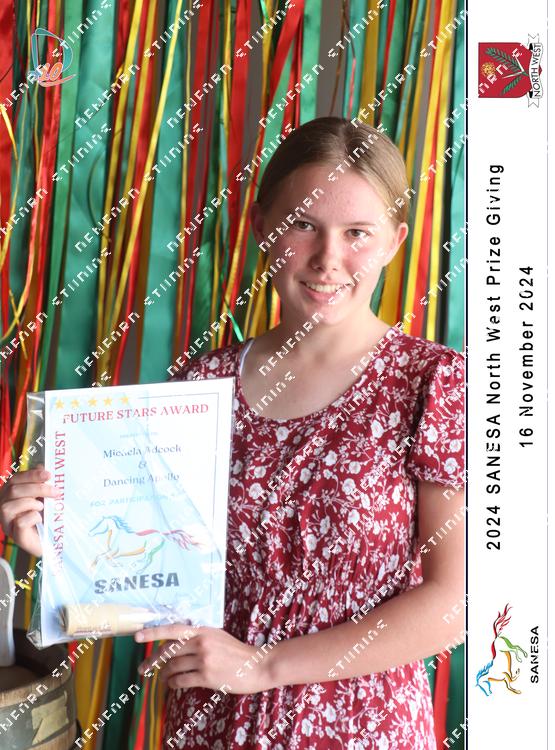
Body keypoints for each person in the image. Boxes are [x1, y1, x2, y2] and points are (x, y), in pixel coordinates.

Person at [0, 117, 465, 749]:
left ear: (394, 242)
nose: (329, 258)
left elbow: (454, 604)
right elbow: (158, 574)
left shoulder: (436, 383)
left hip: (365, 729)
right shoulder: (202, 385)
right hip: (214, 725)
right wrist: (60, 545)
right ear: (261, 226)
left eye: (358, 233)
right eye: (303, 224)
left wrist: (266, 666)